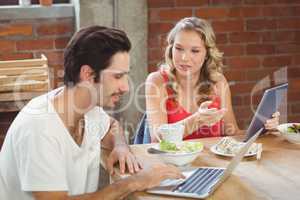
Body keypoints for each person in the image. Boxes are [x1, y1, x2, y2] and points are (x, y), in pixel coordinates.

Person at [0, 26, 184, 200]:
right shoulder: (39, 128)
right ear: (88, 75)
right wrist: (134, 182)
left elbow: (111, 125)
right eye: (118, 76)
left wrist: (120, 145)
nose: (126, 87)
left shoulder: (89, 110)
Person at [145, 17, 279, 142]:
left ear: (207, 54)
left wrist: (263, 129)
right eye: (179, 48)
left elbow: (232, 133)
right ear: (171, 49)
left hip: (212, 165)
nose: (184, 58)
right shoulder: (156, 81)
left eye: (195, 51)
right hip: (171, 165)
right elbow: (157, 139)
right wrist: (197, 120)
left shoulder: (218, 82)